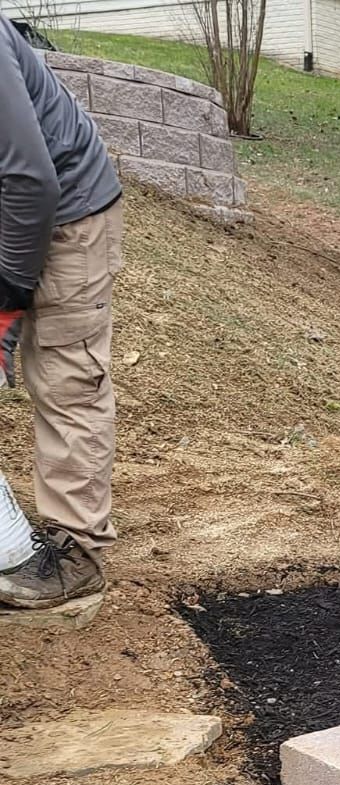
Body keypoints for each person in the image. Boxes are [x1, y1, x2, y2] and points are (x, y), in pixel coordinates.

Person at [0, 16, 123, 612]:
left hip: (67, 212)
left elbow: (30, 182)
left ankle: (79, 555)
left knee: (65, 377)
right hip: (14, 199)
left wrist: (7, 299)